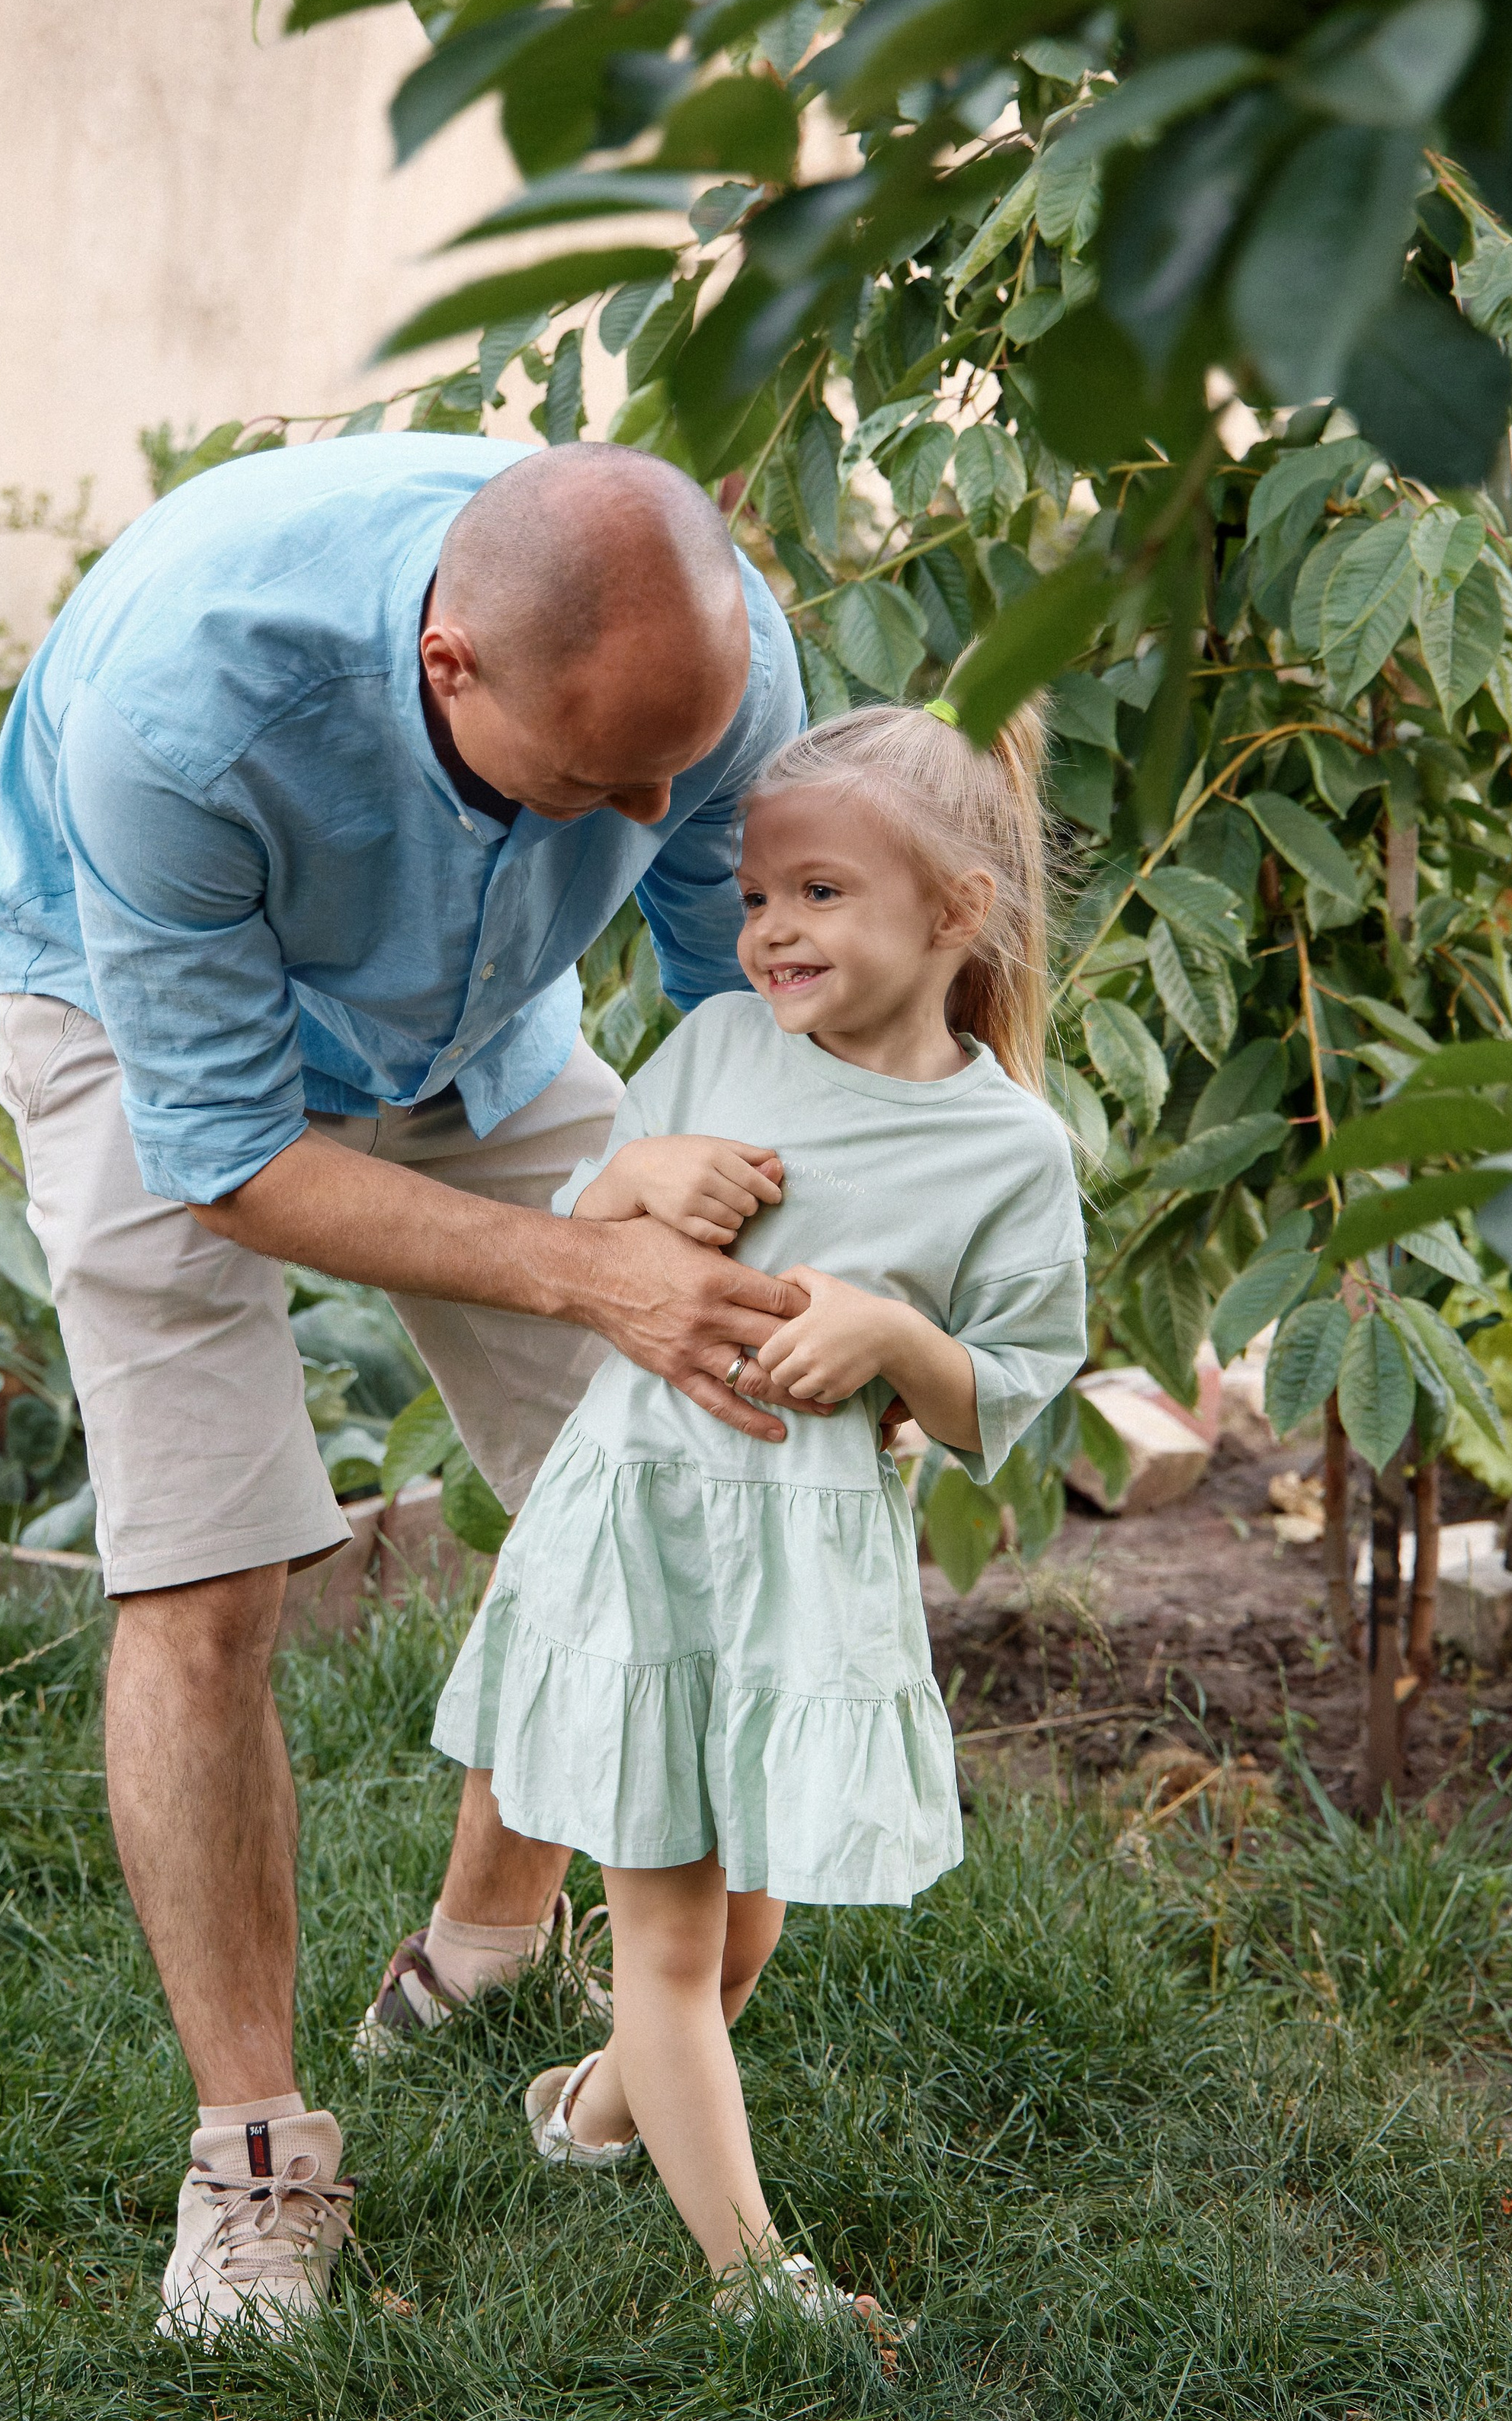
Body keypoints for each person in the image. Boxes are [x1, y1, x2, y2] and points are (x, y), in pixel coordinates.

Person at [0, 429, 812, 2338]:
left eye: (685, 757)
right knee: (206, 1576)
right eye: (609, 778)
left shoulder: (703, 667)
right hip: (141, 1017)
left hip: (481, 1016)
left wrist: (803, 1260)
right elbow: (236, 1155)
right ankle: (253, 2162)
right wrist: (593, 1268)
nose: (664, 804)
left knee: (654, 1464)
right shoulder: (186, 716)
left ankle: (480, 1947)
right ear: (453, 671)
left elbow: (737, 1005)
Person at [431, 702, 1087, 2317]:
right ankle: (755, 2283)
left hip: (801, 1568)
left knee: (736, 1940)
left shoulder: (1005, 1148)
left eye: (818, 895)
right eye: (756, 895)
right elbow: (592, 1228)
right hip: (648, 1528)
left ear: (952, 915)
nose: (769, 930)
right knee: (663, 1943)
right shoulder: (720, 1046)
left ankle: (592, 2107)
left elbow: (1006, 1389)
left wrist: (894, 1339)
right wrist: (638, 1188)